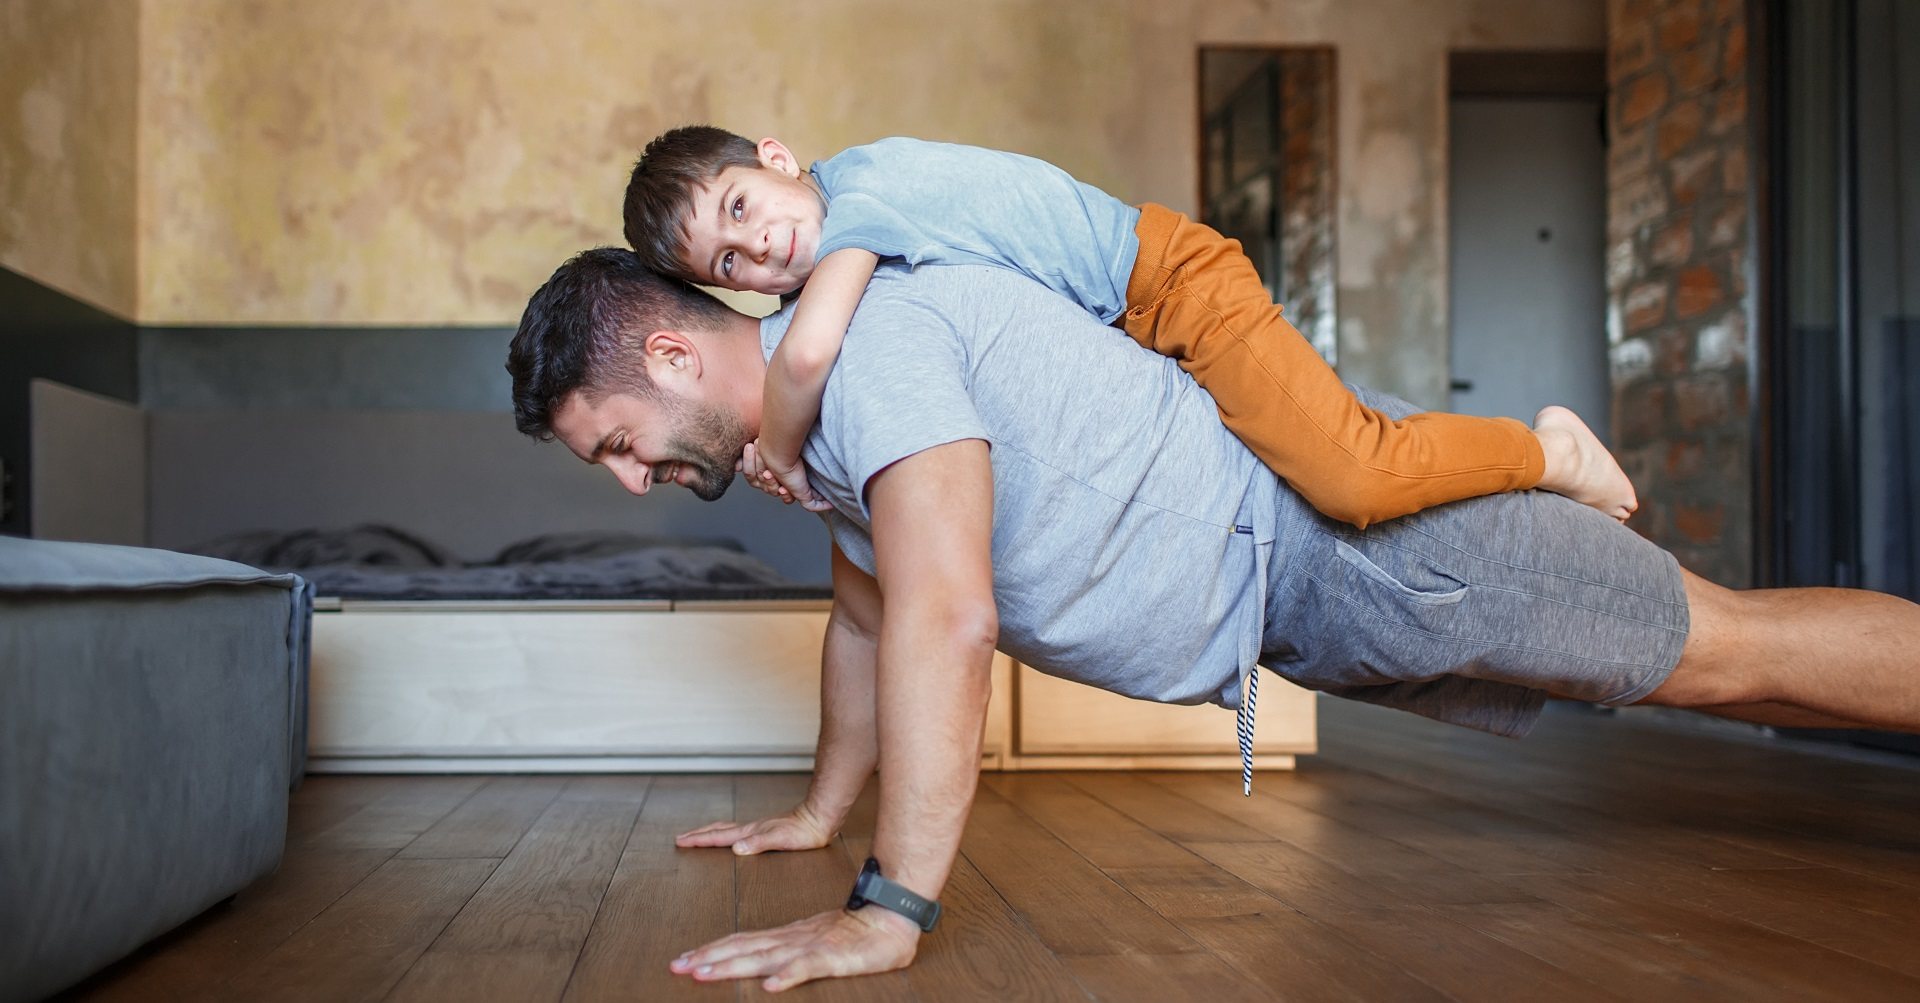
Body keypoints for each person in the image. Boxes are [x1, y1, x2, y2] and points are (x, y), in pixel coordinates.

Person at [506, 249, 1920, 994]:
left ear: (678, 352)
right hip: (1328, 604)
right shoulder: (823, 433)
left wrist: (891, 903)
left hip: (1371, 554)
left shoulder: (871, 357)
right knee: (1702, 676)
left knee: (1731, 647)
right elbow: (869, 620)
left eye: (620, 441)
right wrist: (822, 810)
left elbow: (946, 614)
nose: (637, 479)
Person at [620, 126, 1636, 526]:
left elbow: (803, 353)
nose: (762, 255)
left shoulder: (864, 195)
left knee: (1351, 477)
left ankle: (1546, 450)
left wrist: (782, 456)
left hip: (1176, 285)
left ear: (777, 156)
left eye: (744, 211)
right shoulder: (844, 246)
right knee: (1326, 443)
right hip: (1140, 322)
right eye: (730, 266)